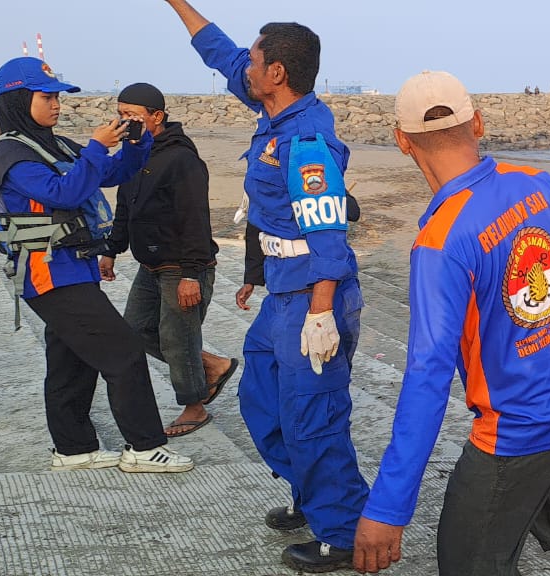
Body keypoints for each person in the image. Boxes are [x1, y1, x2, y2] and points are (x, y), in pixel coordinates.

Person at [352, 70, 550, 576]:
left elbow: (427, 377)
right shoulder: (532, 182)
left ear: (402, 142)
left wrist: (387, 507)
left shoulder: (440, 242)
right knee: (546, 501)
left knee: (468, 561)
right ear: (480, 124)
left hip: (516, 424)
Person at [162, 1, 368, 570]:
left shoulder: (305, 141)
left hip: (313, 296)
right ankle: (313, 491)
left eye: (254, 62)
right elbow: (222, 54)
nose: (244, 70)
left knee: (312, 412)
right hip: (283, 292)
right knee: (263, 400)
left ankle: (344, 530)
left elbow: (328, 232)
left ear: (276, 72)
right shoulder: (272, 112)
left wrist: (322, 313)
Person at [0, 57, 193, 473]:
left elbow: (110, 173)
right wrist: (97, 146)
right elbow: (64, 192)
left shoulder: (55, 144)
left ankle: (73, 449)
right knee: (124, 351)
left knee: (71, 360)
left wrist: (136, 146)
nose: (57, 104)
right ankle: (144, 446)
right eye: (47, 97)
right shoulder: (12, 153)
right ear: (18, 99)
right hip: (48, 273)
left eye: (58, 96)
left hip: (73, 266)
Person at [99, 82, 239, 438]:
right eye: (120, 115)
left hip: (182, 266)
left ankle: (194, 407)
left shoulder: (181, 158)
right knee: (133, 331)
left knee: (178, 338)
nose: (124, 122)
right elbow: (124, 206)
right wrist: (112, 250)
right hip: (151, 265)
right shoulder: (134, 153)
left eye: (132, 116)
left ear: (156, 117)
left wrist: (192, 274)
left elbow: (195, 217)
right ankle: (211, 364)